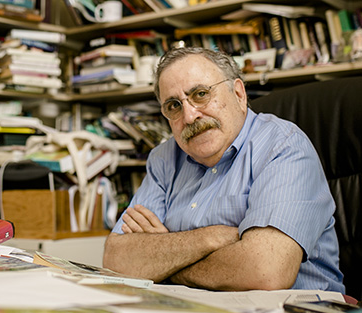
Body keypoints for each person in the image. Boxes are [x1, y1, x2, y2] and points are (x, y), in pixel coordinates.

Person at [103, 47, 345, 293]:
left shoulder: (282, 145)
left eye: (200, 94)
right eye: (174, 105)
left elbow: (266, 272)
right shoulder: (164, 158)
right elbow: (117, 260)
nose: (189, 116)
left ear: (239, 94)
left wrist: (163, 264)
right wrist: (212, 238)